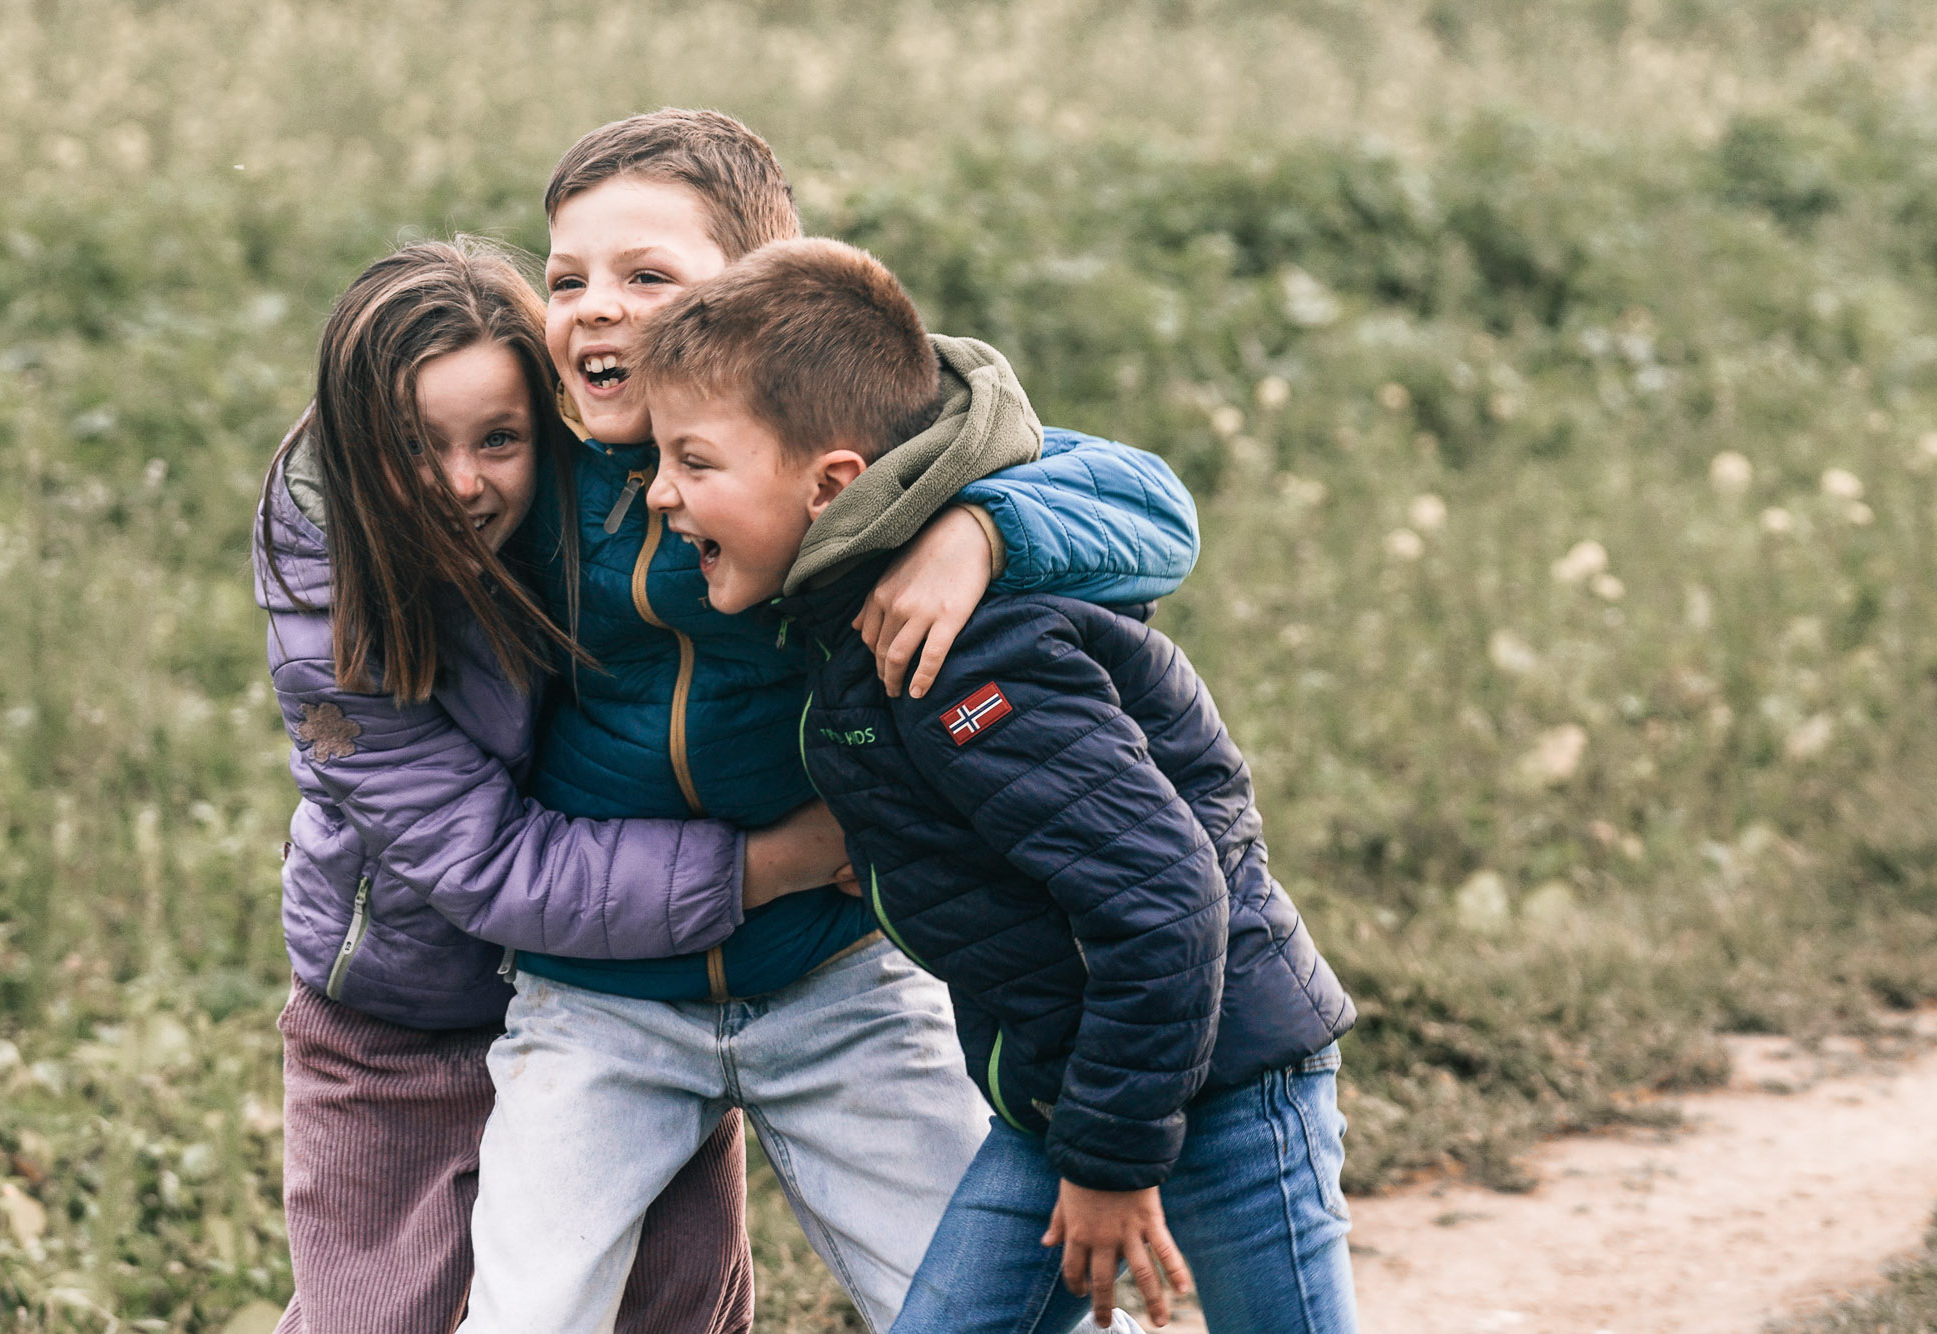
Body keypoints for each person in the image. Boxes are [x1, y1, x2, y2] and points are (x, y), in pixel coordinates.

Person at [455, 110, 1198, 1334]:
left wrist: (982, 529)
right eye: (567, 277)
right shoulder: (535, 454)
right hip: (598, 997)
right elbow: (386, 476)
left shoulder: (833, 430)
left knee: (1005, 1307)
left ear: (752, 295)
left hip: (838, 966)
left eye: (647, 276)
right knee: (526, 1313)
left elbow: (1153, 507)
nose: (595, 306)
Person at [635, 236, 1361, 1334]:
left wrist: (1111, 1162)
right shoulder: (855, 608)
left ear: (832, 485)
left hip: (1225, 1076)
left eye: (692, 463)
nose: (658, 494)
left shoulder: (964, 652)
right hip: (1066, 1093)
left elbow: (1164, 897)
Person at [253, 236, 767, 1334]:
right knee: (380, 1315)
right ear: (352, 449)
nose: (458, 483)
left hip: (625, 994)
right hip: (401, 1023)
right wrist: (765, 866)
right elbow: (483, 862)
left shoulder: (626, 504)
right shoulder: (330, 612)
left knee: (668, 1301)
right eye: (413, 445)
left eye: (500, 439)